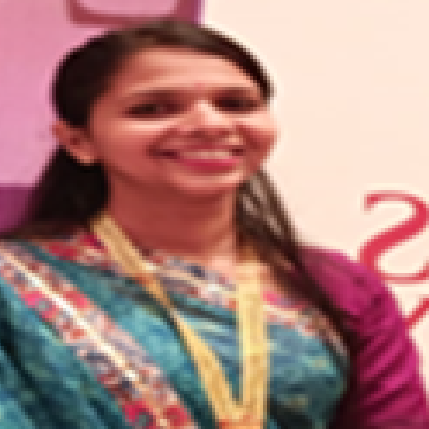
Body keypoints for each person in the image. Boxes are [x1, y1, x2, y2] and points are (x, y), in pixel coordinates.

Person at [0, 19, 427, 429]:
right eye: (153, 109)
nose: (210, 124)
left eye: (236, 104)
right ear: (79, 141)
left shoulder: (340, 288)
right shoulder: (13, 283)